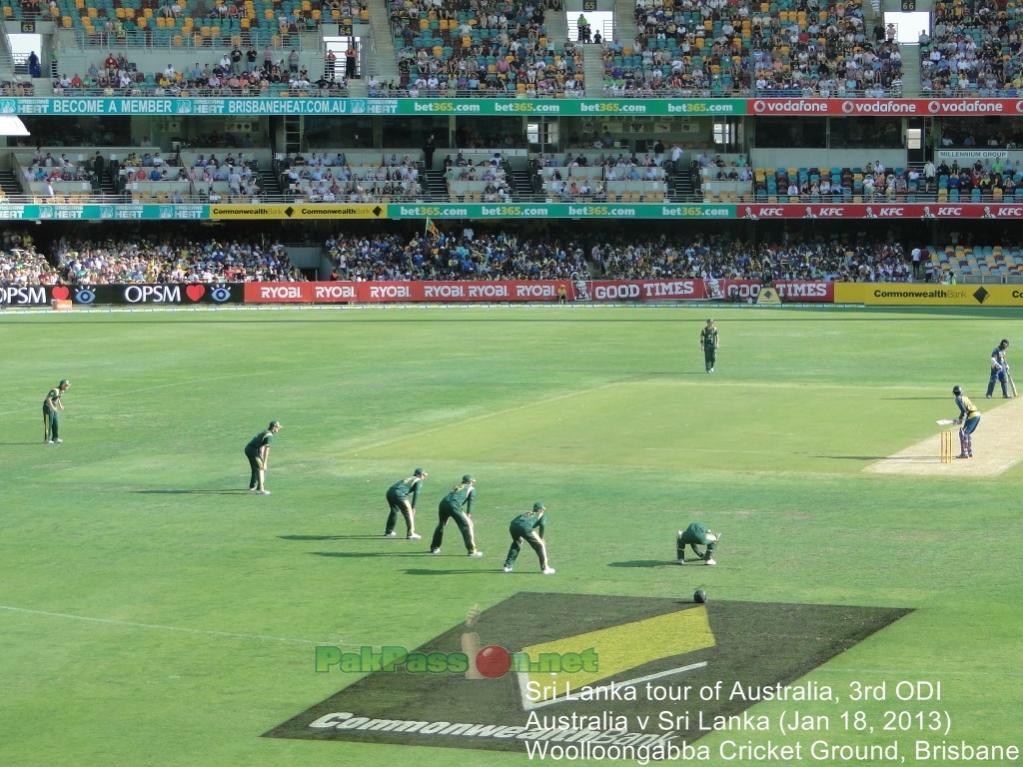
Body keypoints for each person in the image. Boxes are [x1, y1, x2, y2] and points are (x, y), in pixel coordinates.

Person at [430, 475, 482, 556]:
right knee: (467, 526)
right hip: (454, 506)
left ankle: (434, 547)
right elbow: (470, 503)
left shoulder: (457, 486)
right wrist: (468, 515)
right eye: (472, 481)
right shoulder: (471, 489)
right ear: (469, 482)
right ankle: (472, 550)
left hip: (443, 504)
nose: (473, 483)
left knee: (441, 525)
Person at [503, 503, 555, 574]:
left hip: (513, 526)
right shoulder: (541, 515)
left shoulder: (527, 513)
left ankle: (507, 566)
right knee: (541, 545)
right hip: (525, 527)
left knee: (517, 543)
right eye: (543, 509)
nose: (543, 511)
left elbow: (513, 521)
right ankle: (545, 568)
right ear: (539, 510)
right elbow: (542, 525)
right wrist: (541, 538)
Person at [385, 468, 427, 540]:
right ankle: (411, 534)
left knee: (394, 511)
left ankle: (389, 531)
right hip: (399, 494)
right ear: (419, 475)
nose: (424, 476)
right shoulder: (418, 480)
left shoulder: (409, 478)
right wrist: (413, 507)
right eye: (423, 474)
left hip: (390, 492)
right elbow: (416, 494)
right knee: (409, 512)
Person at [245, 420, 281, 494]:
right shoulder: (269, 436)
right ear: (274, 427)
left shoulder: (266, 432)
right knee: (261, 468)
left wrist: (260, 457)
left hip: (249, 449)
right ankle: (261, 490)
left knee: (256, 468)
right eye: (278, 427)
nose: (279, 429)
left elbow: (262, 448)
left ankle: (253, 487)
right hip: (253, 450)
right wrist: (265, 462)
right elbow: (266, 450)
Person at [952, 385, 980, 459]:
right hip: (976, 414)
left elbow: (963, 411)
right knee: (966, 433)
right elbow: (966, 411)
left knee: (963, 433)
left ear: (954, 393)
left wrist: (960, 419)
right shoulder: (965, 397)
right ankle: (969, 451)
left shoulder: (958, 399)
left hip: (972, 416)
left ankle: (964, 453)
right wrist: (960, 419)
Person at [42, 379, 71, 444]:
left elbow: (58, 398)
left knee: (55, 423)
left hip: (54, 408)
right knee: (49, 424)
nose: (67, 387)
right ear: (63, 385)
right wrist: (52, 407)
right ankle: (47, 439)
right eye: (66, 385)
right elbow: (48, 399)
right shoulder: (55, 390)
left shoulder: (61, 391)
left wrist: (60, 406)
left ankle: (55, 438)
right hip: (48, 408)